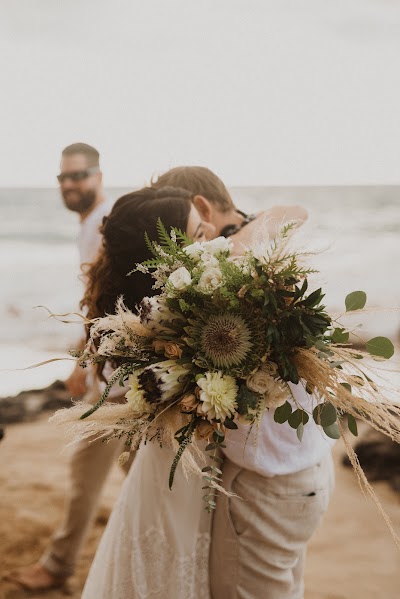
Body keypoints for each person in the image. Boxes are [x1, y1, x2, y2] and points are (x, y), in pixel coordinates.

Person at [79, 171, 334, 599]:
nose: (212, 241)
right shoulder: (185, 319)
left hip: (267, 486)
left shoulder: (237, 288)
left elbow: (292, 212)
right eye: (199, 234)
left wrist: (225, 254)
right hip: (285, 477)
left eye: (209, 230)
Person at [79, 186, 214, 599]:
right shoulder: (174, 320)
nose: (209, 229)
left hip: (176, 462)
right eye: (197, 228)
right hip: (181, 465)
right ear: (167, 254)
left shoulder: (161, 308)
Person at [7, 143, 125, 591]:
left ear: (99, 174)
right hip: (115, 371)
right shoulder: (91, 224)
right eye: (64, 177)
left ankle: (58, 565)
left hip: (119, 377)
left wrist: (83, 362)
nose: (71, 184)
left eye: (79, 175)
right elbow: (98, 300)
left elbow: (107, 302)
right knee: (141, 470)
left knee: (85, 468)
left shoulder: (103, 224)